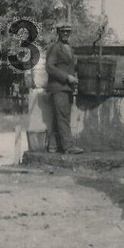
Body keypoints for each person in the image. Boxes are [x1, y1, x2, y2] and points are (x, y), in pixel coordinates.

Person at [45, 19, 84, 155]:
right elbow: (49, 67)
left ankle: (53, 146)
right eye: (63, 32)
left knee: (60, 117)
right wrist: (67, 77)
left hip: (66, 88)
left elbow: (69, 66)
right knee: (63, 117)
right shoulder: (55, 48)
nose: (66, 34)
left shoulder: (69, 48)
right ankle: (68, 146)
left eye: (68, 32)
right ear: (58, 33)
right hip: (58, 87)